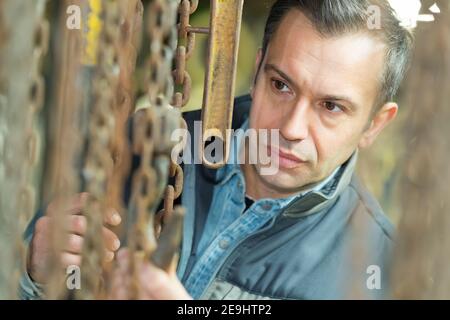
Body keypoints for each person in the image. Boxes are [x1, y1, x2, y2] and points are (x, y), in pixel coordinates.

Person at [21, 0, 414, 300]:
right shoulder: (140, 148)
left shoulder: (383, 273)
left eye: (331, 106)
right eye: (281, 85)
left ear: (375, 124)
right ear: (258, 70)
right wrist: (33, 275)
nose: (291, 129)